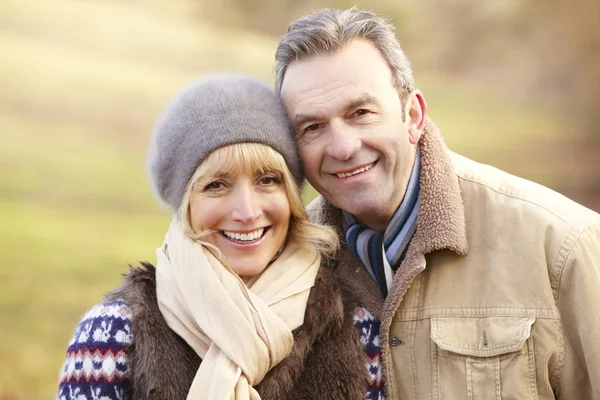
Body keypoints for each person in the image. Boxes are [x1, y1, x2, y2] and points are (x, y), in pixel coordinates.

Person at [274, 7, 600, 400]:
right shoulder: (288, 263)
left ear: (412, 115)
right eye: (313, 127)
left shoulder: (562, 247)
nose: (343, 147)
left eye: (360, 113)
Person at [56, 76, 368, 400]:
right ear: (185, 203)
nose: (247, 212)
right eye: (216, 185)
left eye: (267, 180)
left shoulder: (353, 326)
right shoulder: (112, 335)